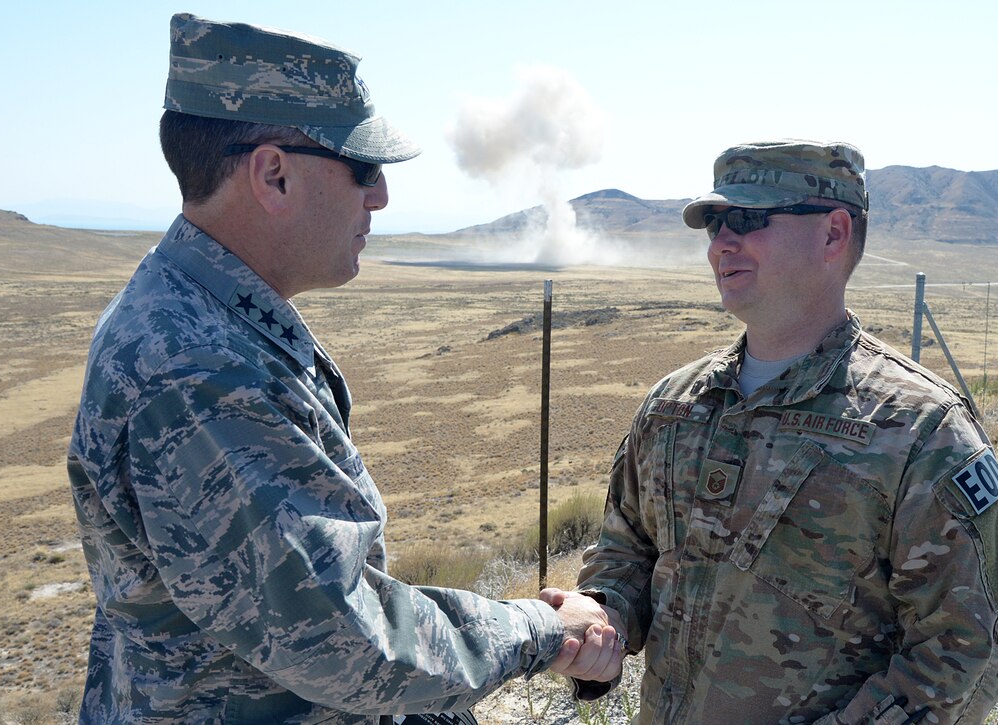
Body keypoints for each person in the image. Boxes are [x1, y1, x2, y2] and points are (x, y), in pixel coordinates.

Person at [67, 13, 622, 724]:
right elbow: (346, 640)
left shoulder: (199, 316)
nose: (381, 194)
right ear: (273, 174)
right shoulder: (200, 369)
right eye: (362, 166)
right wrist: (544, 630)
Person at [548, 140, 998, 723]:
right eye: (715, 224)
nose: (722, 242)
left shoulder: (920, 431)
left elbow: (964, 651)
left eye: (748, 219)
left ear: (833, 234)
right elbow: (627, 552)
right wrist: (601, 617)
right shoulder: (674, 405)